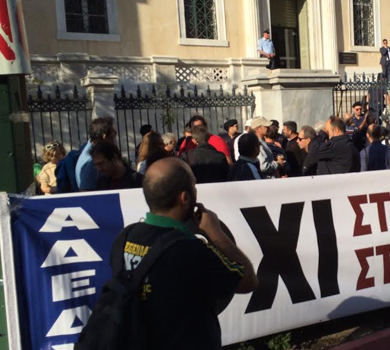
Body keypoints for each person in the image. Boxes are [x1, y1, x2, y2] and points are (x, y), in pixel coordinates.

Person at [103, 157, 257, 348]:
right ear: (185, 198)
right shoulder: (190, 250)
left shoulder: (124, 237)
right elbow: (248, 281)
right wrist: (215, 233)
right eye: (194, 185)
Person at [76, 117, 117, 191]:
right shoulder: (93, 161)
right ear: (104, 137)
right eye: (113, 135)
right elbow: (85, 191)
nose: (115, 140)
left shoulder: (88, 150)